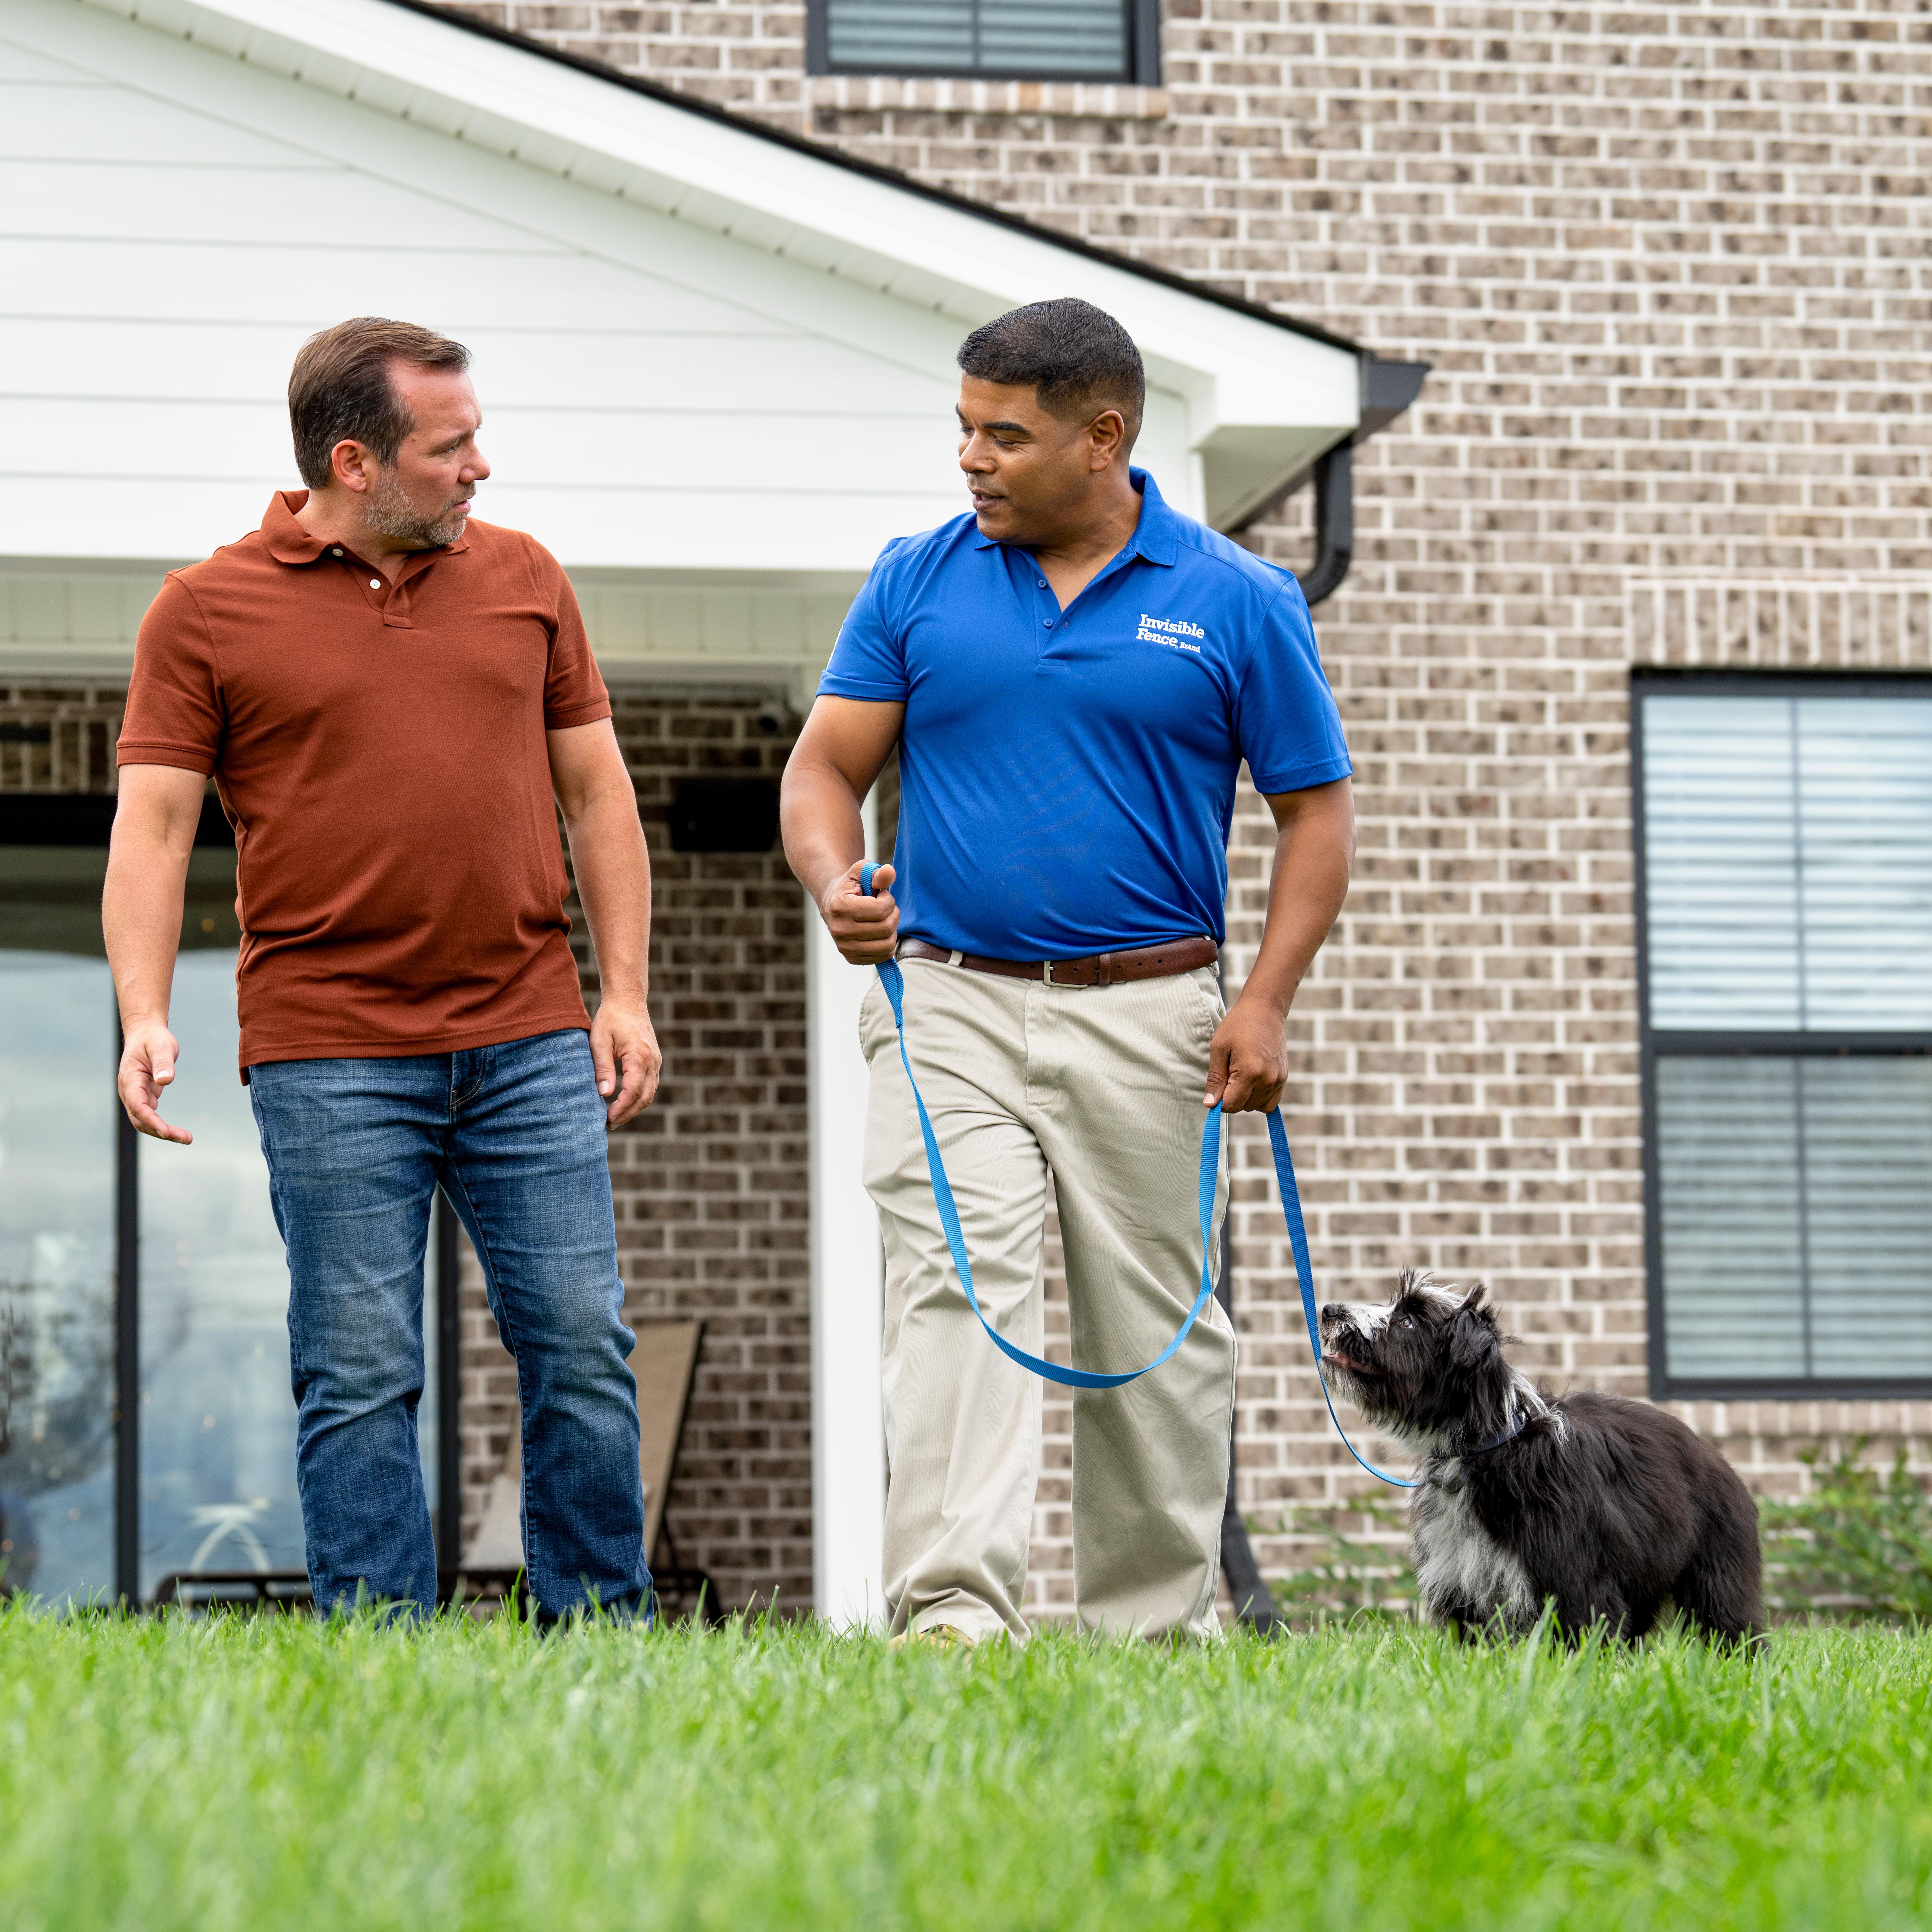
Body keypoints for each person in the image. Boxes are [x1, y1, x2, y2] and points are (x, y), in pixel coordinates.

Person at [781, 298, 1354, 1643]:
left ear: (1103, 438)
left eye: (1004, 436)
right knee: (952, 1291)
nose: (972, 460)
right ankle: (953, 1622)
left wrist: (1264, 1001)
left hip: (1157, 1012)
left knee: (1152, 1329)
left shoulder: (1238, 600)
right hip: (950, 1003)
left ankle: (1152, 1631)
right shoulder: (919, 577)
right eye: (964, 431)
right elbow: (825, 769)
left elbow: (1316, 815)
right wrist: (833, 880)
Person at [104, 317, 658, 1619]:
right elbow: (156, 825)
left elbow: (600, 796)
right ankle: (382, 1647)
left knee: (581, 1344)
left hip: (527, 1035)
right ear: (355, 461)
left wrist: (620, 991)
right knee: (358, 1367)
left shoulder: (524, 577)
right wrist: (143, 1010)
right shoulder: (206, 611)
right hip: (330, 1047)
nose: (481, 468)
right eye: (452, 446)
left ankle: (604, 1634)